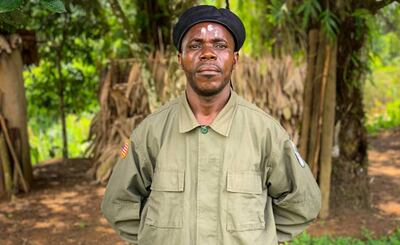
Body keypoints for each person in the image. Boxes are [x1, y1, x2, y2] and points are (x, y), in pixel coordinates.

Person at [101, 5, 321, 245]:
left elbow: (303, 203)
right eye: (195, 46)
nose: (208, 53)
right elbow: (118, 203)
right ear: (180, 59)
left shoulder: (265, 132)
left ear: (234, 59)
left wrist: (259, 238)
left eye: (220, 45)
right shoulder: (150, 133)